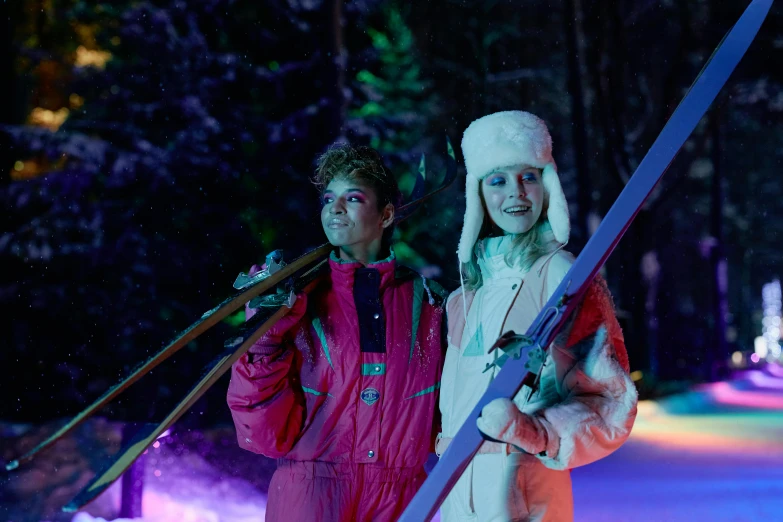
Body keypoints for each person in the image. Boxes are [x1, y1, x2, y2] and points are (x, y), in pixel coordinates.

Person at [226, 144, 447, 522]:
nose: (335, 208)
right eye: (329, 198)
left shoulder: (430, 307)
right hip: (311, 497)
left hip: (401, 499)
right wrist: (262, 339)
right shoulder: (299, 302)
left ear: (387, 214)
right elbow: (263, 432)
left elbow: (446, 422)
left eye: (353, 197)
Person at [437, 111, 638, 522]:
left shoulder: (563, 276)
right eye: (498, 180)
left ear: (547, 185)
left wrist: (537, 433)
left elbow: (610, 400)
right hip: (457, 498)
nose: (517, 193)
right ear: (478, 195)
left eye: (528, 177)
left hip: (528, 497)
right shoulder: (464, 296)